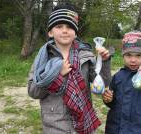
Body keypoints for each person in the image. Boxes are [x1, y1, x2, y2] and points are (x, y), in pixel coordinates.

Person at [28, 3, 112, 134]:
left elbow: (103, 83)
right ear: (50, 32)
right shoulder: (43, 59)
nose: (65, 30)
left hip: (84, 123)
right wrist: (56, 75)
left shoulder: (86, 55)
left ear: (75, 32)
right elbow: (33, 92)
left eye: (70, 27)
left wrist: (104, 61)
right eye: (59, 26)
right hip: (55, 125)